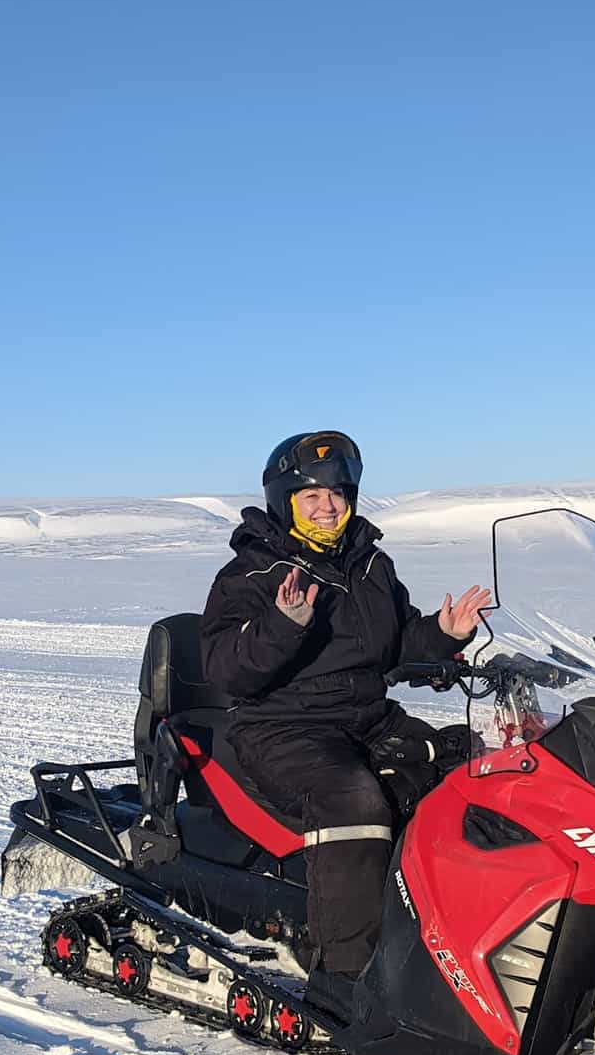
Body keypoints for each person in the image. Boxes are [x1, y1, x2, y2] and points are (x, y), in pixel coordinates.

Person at [199, 430, 490, 1016]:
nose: (327, 505)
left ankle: (469, 948)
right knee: (354, 798)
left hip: (368, 718)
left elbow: (394, 642)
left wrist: (444, 632)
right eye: (311, 496)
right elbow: (225, 670)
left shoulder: (369, 563)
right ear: (285, 501)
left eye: (336, 493)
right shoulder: (253, 572)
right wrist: (282, 624)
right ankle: (346, 982)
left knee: (474, 772)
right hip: (281, 728)